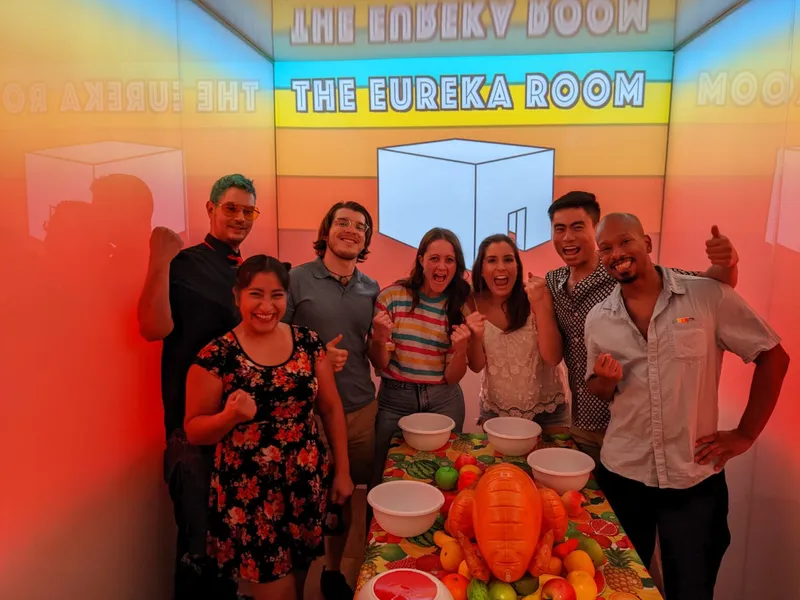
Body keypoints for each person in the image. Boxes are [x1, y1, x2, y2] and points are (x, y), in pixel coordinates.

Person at [583, 213, 789, 600]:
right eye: (606, 248)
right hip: (622, 474)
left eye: (625, 241)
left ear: (646, 242)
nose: (617, 254)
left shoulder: (706, 296)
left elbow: (773, 357)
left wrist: (745, 434)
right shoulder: (599, 318)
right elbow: (600, 389)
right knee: (621, 589)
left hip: (693, 478)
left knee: (692, 590)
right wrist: (605, 381)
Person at [185, 256, 354, 600]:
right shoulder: (217, 355)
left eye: (276, 295)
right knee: (277, 590)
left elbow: (331, 407)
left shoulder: (308, 342)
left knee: (300, 572)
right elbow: (194, 430)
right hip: (251, 494)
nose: (266, 306)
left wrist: (343, 471)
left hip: (305, 481)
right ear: (237, 296)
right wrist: (228, 417)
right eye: (256, 294)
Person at [539, 191, 740, 463]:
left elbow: (710, 282)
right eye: (559, 229)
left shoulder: (623, 271)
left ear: (595, 233)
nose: (567, 238)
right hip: (582, 421)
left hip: (631, 428)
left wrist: (728, 263)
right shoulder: (554, 282)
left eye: (577, 227)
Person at [137, 174, 258, 600]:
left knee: (227, 543)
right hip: (193, 433)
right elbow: (153, 328)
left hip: (238, 429)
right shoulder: (184, 264)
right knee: (198, 549)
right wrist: (158, 261)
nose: (240, 218)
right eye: (231, 208)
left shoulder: (246, 272)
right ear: (210, 209)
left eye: (248, 211)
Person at [282, 201, 387, 600]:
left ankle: (332, 571)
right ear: (326, 231)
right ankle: (291, 579)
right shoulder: (294, 280)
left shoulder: (371, 288)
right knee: (304, 499)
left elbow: (373, 356)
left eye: (359, 226)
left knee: (344, 494)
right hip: (305, 413)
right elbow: (276, 343)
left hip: (360, 409)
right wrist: (316, 359)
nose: (350, 230)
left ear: (365, 240)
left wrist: (380, 340)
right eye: (341, 222)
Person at [369, 227, 472, 487]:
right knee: (383, 475)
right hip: (395, 399)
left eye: (449, 260)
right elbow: (380, 363)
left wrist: (462, 349)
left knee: (443, 475)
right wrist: (380, 338)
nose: (442, 266)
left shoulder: (460, 304)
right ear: (421, 260)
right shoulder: (391, 297)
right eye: (434, 258)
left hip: (444, 400)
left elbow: (452, 376)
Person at [466, 234, 569, 431]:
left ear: (517, 266)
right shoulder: (473, 302)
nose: (501, 267)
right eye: (491, 260)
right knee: (498, 463)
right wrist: (475, 338)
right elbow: (477, 366)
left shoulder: (536, 296)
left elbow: (553, 356)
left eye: (508, 259)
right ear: (481, 270)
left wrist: (540, 305)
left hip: (548, 412)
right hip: (495, 411)